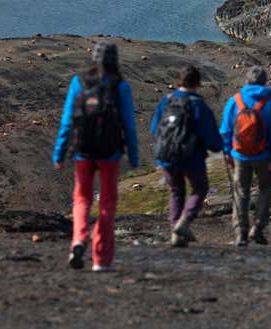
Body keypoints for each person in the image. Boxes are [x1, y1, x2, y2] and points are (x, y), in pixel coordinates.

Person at [52, 41, 139, 272]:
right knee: (107, 204)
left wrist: (59, 153)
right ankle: (100, 259)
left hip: (82, 151)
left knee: (81, 199)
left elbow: (67, 121)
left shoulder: (79, 82)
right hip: (110, 153)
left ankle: (79, 240)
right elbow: (129, 125)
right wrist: (134, 156)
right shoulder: (120, 86)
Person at [151, 65, 223, 247]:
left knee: (176, 191)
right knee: (200, 188)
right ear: (198, 83)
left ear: (179, 81)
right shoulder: (198, 105)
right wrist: (219, 146)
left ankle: (176, 230)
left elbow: (154, 129)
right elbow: (211, 139)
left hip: (167, 156)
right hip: (192, 158)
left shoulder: (166, 101)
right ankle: (183, 223)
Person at [219, 66, 271, 247]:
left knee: (241, 193)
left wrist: (227, 153)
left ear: (246, 81)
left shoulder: (235, 101)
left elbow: (225, 131)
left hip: (239, 155)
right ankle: (258, 227)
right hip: (264, 156)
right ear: (265, 82)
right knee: (265, 189)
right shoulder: (270, 103)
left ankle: (241, 233)